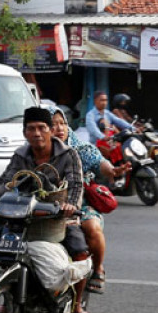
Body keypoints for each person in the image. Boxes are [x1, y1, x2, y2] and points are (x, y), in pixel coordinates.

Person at [0, 106, 96, 313]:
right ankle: (5, 294)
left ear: (50, 130)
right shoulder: (21, 155)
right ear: (25, 132)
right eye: (31, 128)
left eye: (42, 128)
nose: (37, 133)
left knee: (80, 253)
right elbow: (6, 181)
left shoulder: (68, 154)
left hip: (58, 219)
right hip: (23, 218)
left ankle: (77, 306)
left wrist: (71, 205)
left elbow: (76, 184)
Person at [51, 107, 130, 297]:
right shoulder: (35, 153)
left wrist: (112, 171)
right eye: (53, 125)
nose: (59, 128)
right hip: (47, 205)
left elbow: (100, 163)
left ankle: (98, 268)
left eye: (62, 123)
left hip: (81, 205)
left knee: (92, 227)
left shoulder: (81, 149)